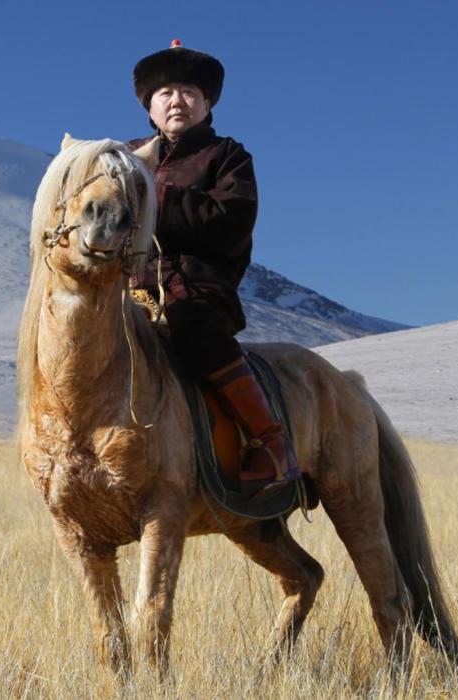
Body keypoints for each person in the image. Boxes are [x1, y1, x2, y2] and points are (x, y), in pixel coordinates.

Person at [130, 41, 300, 497]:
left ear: (207, 104)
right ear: (150, 106)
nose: (177, 101)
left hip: (197, 286)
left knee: (195, 329)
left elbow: (231, 221)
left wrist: (157, 197)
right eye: (165, 93)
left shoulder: (227, 156)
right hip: (130, 286)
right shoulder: (124, 157)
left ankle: (270, 442)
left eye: (189, 92)